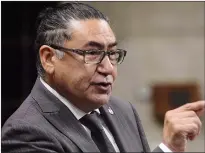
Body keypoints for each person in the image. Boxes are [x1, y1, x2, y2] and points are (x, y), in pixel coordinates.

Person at [2, 2, 204, 153]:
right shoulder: (26, 133)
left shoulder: (123, 111)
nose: (108, 68)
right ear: (49, 58)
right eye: (92, 53)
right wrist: (167, 149)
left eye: (112, 54)